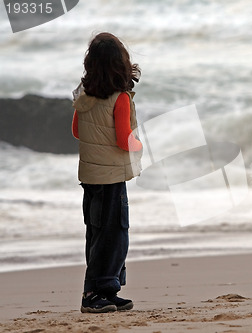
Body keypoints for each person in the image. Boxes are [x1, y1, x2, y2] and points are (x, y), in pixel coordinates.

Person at [71, 32, 143, 313]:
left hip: (90, 177)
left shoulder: (84, 96)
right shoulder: (121, 97)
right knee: (115, 235)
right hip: (111, 177)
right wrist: (139, 144)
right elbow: (123, 138)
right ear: (121, 64)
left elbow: (76, 131)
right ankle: (96, 292)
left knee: (97, 233)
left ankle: (102, 291)